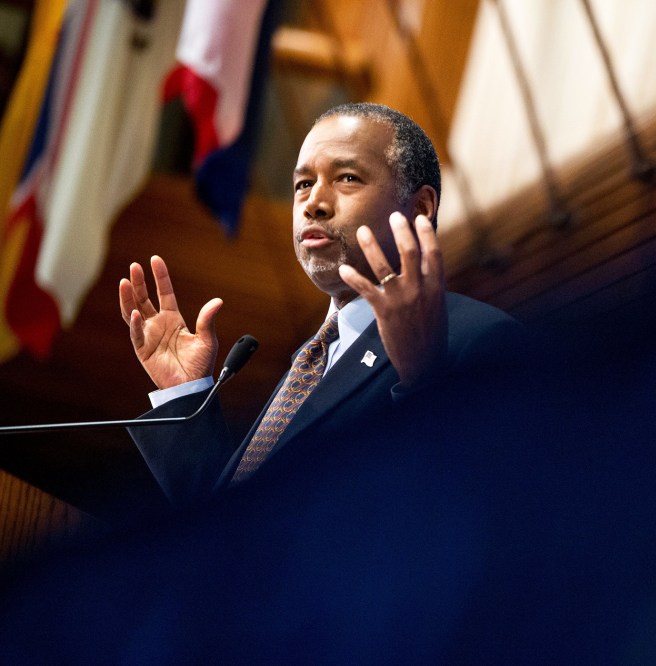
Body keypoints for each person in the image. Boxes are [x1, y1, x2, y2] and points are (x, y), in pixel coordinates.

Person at [119, 103, 521, 505]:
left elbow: (481, 512)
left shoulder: (480, 338)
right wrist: (186, 394)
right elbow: (233, 528)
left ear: (419, 208)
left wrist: (422, 379)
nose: (313, 203)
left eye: (347, 178)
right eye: (303, 184)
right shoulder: (314, 356)